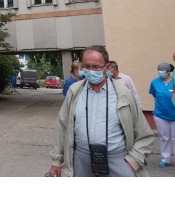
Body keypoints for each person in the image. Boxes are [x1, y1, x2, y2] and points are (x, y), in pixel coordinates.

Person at [48, 45, 154, 177]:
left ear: (107, 66)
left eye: (96, 67)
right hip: (81, 161)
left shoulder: (123, 94)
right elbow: (62, 127)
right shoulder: (74, 92)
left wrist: (133, 162)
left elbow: (144, 134)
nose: (91, 71)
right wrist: (56, 161)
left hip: (117, 160)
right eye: (86, 66)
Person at [148, 62, 175, 167]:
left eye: (162, 70)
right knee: (164, 138)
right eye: (158, 69)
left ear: (168, 71)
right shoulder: (155, 82)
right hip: (160, 115)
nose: (159, 72)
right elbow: (154, 95)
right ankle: (165, 159)